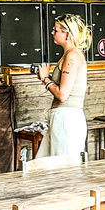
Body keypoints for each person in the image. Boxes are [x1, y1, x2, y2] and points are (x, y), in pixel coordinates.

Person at [33, 14, 91, 158]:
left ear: (67, 34)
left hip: (67, 119)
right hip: (62, 117)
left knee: (64, 166)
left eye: (56, 30)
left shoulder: (72, 56)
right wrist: (45, 77)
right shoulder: (69, 54)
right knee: (45, 164)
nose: (52, 32)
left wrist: (45, 79)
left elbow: (62, 94)